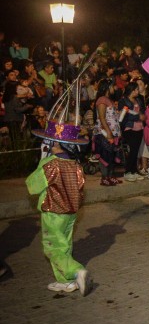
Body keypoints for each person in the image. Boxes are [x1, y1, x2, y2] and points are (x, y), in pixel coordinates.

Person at [26, 119, 92, 296]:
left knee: (53, 247)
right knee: (64, 244)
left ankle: (76, 271)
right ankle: (66, 281)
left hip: (53, 211)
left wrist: (42, 161)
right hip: (71, 213)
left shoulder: (50, 164)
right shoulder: (76, 165)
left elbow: (32, 186)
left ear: (54, 143)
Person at [94, 79, 122, 186]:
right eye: (113, 86)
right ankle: (104, 177)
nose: (114, 88)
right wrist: (108, 132)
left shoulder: (108, 99)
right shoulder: (102, 100)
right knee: (105, 154)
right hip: (104, 133)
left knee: (111, 154)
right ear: (107, 87)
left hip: (113, 132)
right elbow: (102, 117)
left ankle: (110, 176)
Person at [118, 82, 144, 181]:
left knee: (136, 150)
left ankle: (134, 171)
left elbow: (141, 111)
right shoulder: (123, 101)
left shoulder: (138, 100)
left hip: (139, 127)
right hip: (129, 128)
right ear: (132, 90)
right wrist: (138, 116)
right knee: (132, 150)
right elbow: (123, 115)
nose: (138, 91)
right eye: (136, 89)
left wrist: (141, 117)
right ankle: (128, 171)